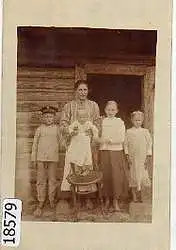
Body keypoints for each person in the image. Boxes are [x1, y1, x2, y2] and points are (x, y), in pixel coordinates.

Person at [60, 80, 100, 208]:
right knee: (72, 167)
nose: (82, 92)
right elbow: (63, 123)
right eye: (80, 90)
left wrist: (92, 134)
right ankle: (70, 197)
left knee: (86, 168)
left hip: (87, 144)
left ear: (88, 91)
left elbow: (98, 123)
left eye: (85, 90)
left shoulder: (94, 106)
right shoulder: (69, 106)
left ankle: (87, 197)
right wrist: (70, 132)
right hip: (73, 143)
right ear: (75, 91)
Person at [99, 101, 129, 212]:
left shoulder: (119, 122)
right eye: (108, 110)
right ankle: (107, 199)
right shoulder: (102, 121)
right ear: (105, 110)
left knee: (116, 176)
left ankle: (116, 200)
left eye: (113, 110)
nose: (110, 112)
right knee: (106, 175)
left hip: (116, 151)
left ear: (117, 111)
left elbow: (121, 138)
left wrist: (110, 140)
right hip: (104, 151)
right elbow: (98, 135)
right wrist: (101, 140)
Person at [31, 105, 60, 217]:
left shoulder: (57, 129)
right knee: (41, 180)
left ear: (54, 118)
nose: (48, 119)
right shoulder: (39, 129)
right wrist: (33, 158)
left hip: (53, 158)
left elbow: (62, 142)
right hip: (41, 158)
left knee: (52, 179)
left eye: (51, 117)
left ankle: (52, 200)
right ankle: (41, 201)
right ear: (43, 118)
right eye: (46, 117)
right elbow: (35, 144)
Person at [124, 111, 152, 203]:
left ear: (142, 121)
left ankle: (142, 196)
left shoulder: (145, 131)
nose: (137, 122)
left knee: (142, 176)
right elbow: (126, 145)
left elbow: (149, 144)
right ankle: (134, 196)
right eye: (135, 120)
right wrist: (127, 156)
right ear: (132, 120)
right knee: (133, 176)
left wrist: (148, 157)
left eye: (139, 120)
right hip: (133, 158)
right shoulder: (128, 132)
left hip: (142, 157)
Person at [68, 112, 99, 176]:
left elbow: (95, 129)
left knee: (87, 155)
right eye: (80, 117)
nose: (82, 119)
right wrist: (73, 132)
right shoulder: (75, 123)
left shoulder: (88, 123)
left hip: (85, 142)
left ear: (87, 118)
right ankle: (78, 169)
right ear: (77, 117)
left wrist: (95, 137)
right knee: (77, 155)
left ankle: (87, 169)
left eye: (84, 117)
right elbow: (70, 128)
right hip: (77, 142)